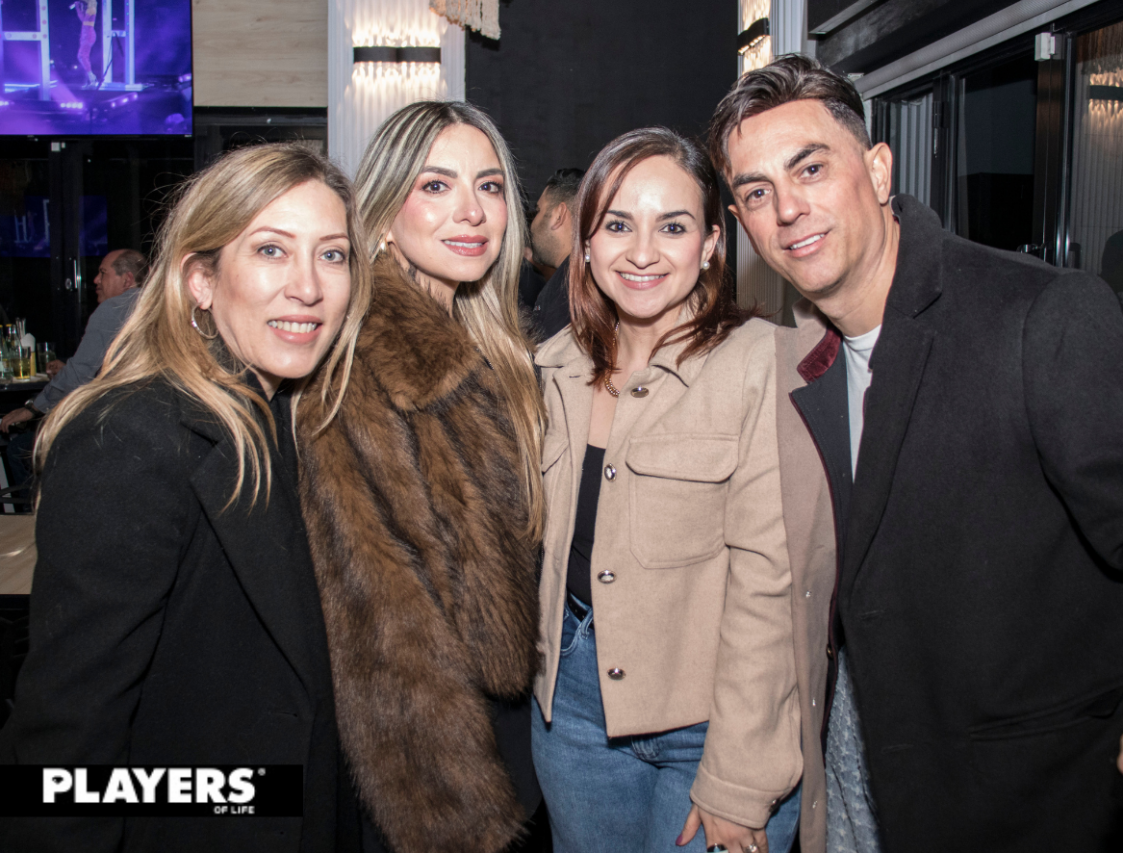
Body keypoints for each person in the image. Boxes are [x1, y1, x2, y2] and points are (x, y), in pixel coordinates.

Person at [709, 53, 1123, 853]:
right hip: (856, 778)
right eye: (756, 194)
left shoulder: (1036, 316)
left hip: (1018, 797)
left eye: (810, 168)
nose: (787, 208)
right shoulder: (799, 351)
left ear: (876, 168)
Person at [0, 143, 370, 852]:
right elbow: (67, 737)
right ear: (200, 279)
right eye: (270, 250)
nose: (308, 287)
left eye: (332, 255)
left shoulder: (293, 419)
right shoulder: (130, 434)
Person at [532, 127, 803, 853]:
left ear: (712, 243)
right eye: (617, 224)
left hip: (714, 723)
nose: (642, 251)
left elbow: (773, 585)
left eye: (673, 226)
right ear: (584, 242)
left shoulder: (762, 366)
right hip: (572, 711)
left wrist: (743, 778)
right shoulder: (546, 369)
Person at [296, 101, 545, 853]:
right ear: (380, 210)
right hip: (445, 775)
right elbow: (384, 623)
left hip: (515, 735)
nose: (472, 211)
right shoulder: (361, 365)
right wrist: (451, 809)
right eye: (436, 186)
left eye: (491, 186)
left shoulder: (493, 344)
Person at [1, 248, 146, 439]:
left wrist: (33, 408)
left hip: (115, 426)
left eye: (103, 273)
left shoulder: (113, 309)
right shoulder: (157, 308)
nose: (95, 280)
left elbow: (79, 375)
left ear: (127, 280)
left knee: (21, 447)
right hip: (149, 420)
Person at [529, 167, 585, 340]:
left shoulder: (571, 291)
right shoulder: (585, 277)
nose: (532, 225)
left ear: (558, 215)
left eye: (538, 211)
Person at [73, 0, 98, 87]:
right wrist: (80, 9)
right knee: (83, 56)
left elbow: (84, 20)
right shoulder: (89, 9)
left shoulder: (91, 9)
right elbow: (83, 19)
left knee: (82, 56)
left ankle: (91, 77)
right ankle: (89, 79)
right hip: (85, 34)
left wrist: (79, 9)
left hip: (88, 34)